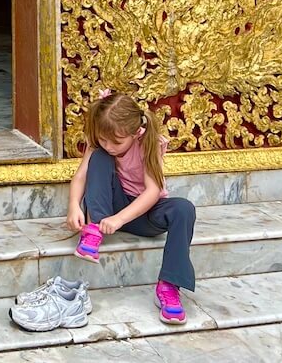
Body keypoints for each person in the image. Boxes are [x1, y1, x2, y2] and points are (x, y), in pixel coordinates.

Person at [66, 90, 196, 325]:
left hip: (142, 212)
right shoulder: (101, 146)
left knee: (183, 209)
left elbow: (152, 192)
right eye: (103, 139)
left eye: (115, 142)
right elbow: (80, 177)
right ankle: (94, 231)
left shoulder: (148, 143)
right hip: (111, 209)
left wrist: (119, 220)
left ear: (136, 133)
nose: (108, 145)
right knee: (100, 158)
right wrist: (74, 206)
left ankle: (169, 286)